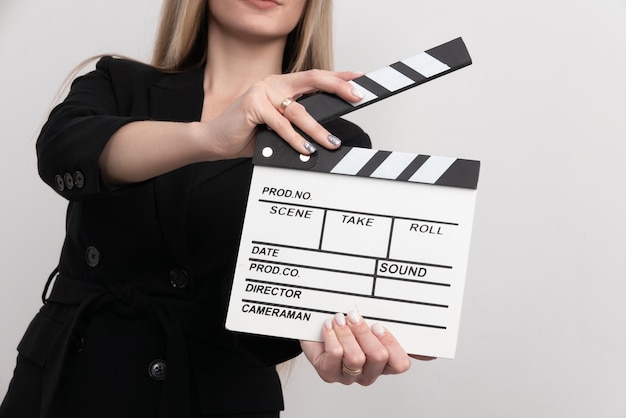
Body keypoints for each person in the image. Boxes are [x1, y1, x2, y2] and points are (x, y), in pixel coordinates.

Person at [0, 1, 429, 417]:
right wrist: (210, 138)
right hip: (69, 382)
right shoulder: (119, 82)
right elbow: (63, 151)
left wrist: (332, 336)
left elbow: (284, 305)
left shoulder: (333, 141)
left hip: (214, 396)